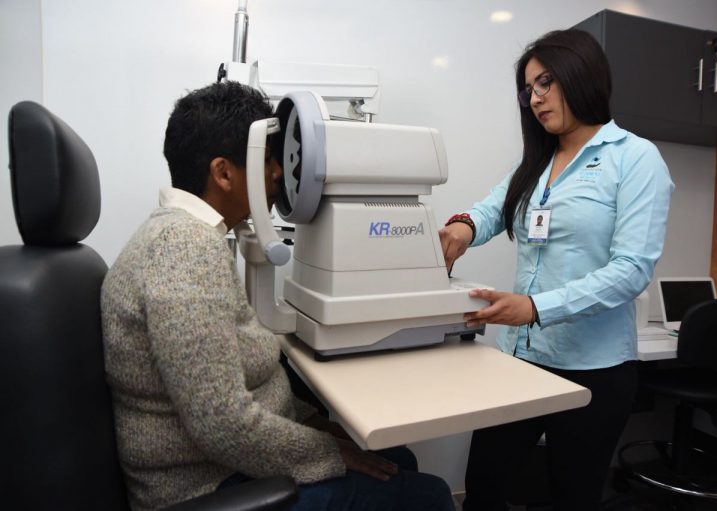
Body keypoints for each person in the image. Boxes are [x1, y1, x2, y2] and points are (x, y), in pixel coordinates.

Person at [101, 81, 454, 511]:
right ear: (224, 172)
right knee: (430, 495)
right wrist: (328, 451)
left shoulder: (190, 237)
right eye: (267, 159)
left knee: (399, 459)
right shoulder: (182, 251)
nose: (276, 173)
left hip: (228, 460)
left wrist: (317, 429)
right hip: (205, 485)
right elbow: (222, 424)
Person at [439, 29, 674, 511]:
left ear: (581, 73)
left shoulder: (634, 158)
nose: (536, 97)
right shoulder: (538, 161)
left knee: (572, 495)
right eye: (529, 89)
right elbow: (491, 209)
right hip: (520, 360)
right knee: (484, 486)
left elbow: (631, 270)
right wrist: (462, 227)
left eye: (545, 81)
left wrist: (534, 307)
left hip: (594, 372)